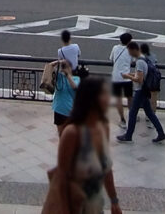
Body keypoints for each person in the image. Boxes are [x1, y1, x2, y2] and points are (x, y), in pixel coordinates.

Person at [47, 77, 122, 214]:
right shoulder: (72, 133)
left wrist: (114, 200)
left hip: (94, 203)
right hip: (73, 205)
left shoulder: (103, 128)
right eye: (104, 94)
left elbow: (106, 168)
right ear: (92, 99)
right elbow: (62, 177)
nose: (108, 98)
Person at [115, 40, 165, 144]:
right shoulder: (144, 58)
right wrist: (132, 74)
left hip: (140, 90)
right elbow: (140, 75)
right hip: (145, 90)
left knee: (133, 113)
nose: (130, 54)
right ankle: (161, 133)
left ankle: (128, 136)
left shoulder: (139, 61)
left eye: (130, 52)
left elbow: (140, 79)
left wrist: (127, 76)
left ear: (134, 50)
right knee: (150, 113)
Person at [109, 32, 133, 128]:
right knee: (129, 97)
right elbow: (133, 61)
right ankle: (132, 116)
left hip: (116, 77)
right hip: (127, 77)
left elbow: (111, 59)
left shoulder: (115, 48)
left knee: (118, 99)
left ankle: (122, 119)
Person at [52, 59, 79, 133]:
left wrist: (67, 75)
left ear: (71, 68)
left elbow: (74, 87)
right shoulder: (59, 77)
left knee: (70, 135)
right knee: (61, 135)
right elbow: (48, 69)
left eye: (66, 66)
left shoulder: (76, 79)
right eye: (63, 66)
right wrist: (57, 63)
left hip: (71, 111)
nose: (64, 68)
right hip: (59, 109)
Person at [138, 43, 160, 123]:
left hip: (146, 80)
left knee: (142, 97)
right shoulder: (153, 55)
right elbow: (155, 62)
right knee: (153, 98)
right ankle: (152, 114)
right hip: (154, 79)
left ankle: (145, 114)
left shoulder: (140, 58)